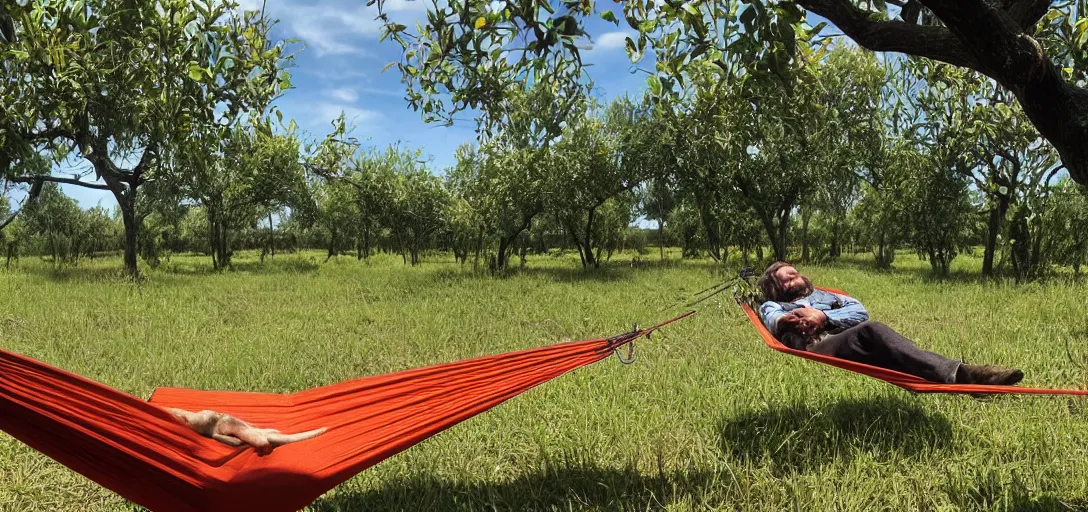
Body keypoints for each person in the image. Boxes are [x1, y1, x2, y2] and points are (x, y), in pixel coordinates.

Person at [756, 261, 1024, 386]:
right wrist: (791, 321)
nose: (793, 280)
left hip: (852, 339)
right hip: (818, 346)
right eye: (785, 280)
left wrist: (823, 316)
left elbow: (860, 311)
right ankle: (963, 374)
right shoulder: (775, 304)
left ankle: (970, 376)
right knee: (874, 330)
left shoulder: (829, 296)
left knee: (890, 349)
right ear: (776, 288)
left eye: (793, 274)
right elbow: (772, 319)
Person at [164, 407, 327, 456]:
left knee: (261, 438)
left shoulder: (217, 430)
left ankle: (268, 437)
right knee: (259, 435)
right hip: (218, 420)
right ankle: (268, 435)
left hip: (218, 422)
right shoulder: (217, 427)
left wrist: (243, 446)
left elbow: (234, 441)